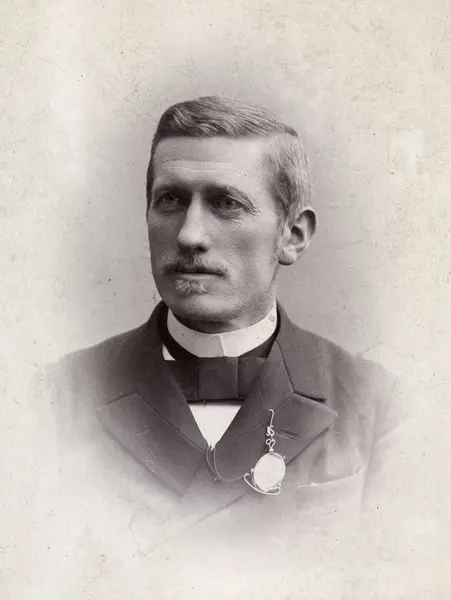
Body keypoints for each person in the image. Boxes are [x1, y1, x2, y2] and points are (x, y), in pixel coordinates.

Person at [46, 96, 405, 598]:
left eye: (226, 203)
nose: (190, 235)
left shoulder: (379, 407)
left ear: (293, 235)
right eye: (170, 200)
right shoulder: (54, 399)